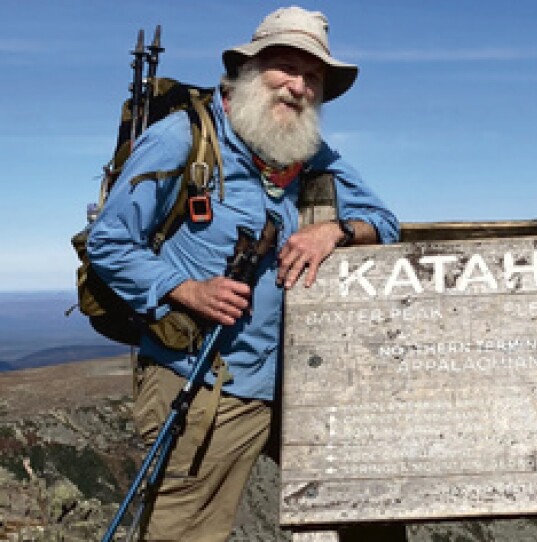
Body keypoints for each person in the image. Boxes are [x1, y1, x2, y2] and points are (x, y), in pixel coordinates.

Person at [87, 6, 399, 540]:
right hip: (202, 383)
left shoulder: (310, 153)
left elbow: (385, 223)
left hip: (293, 383)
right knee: (183, 533)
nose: (298, 86)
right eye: (286, 67)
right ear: (250, 70)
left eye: (313, 76)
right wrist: (184, 288)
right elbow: (109, 242)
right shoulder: (181, 138)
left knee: (368, 507)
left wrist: (337, 233)